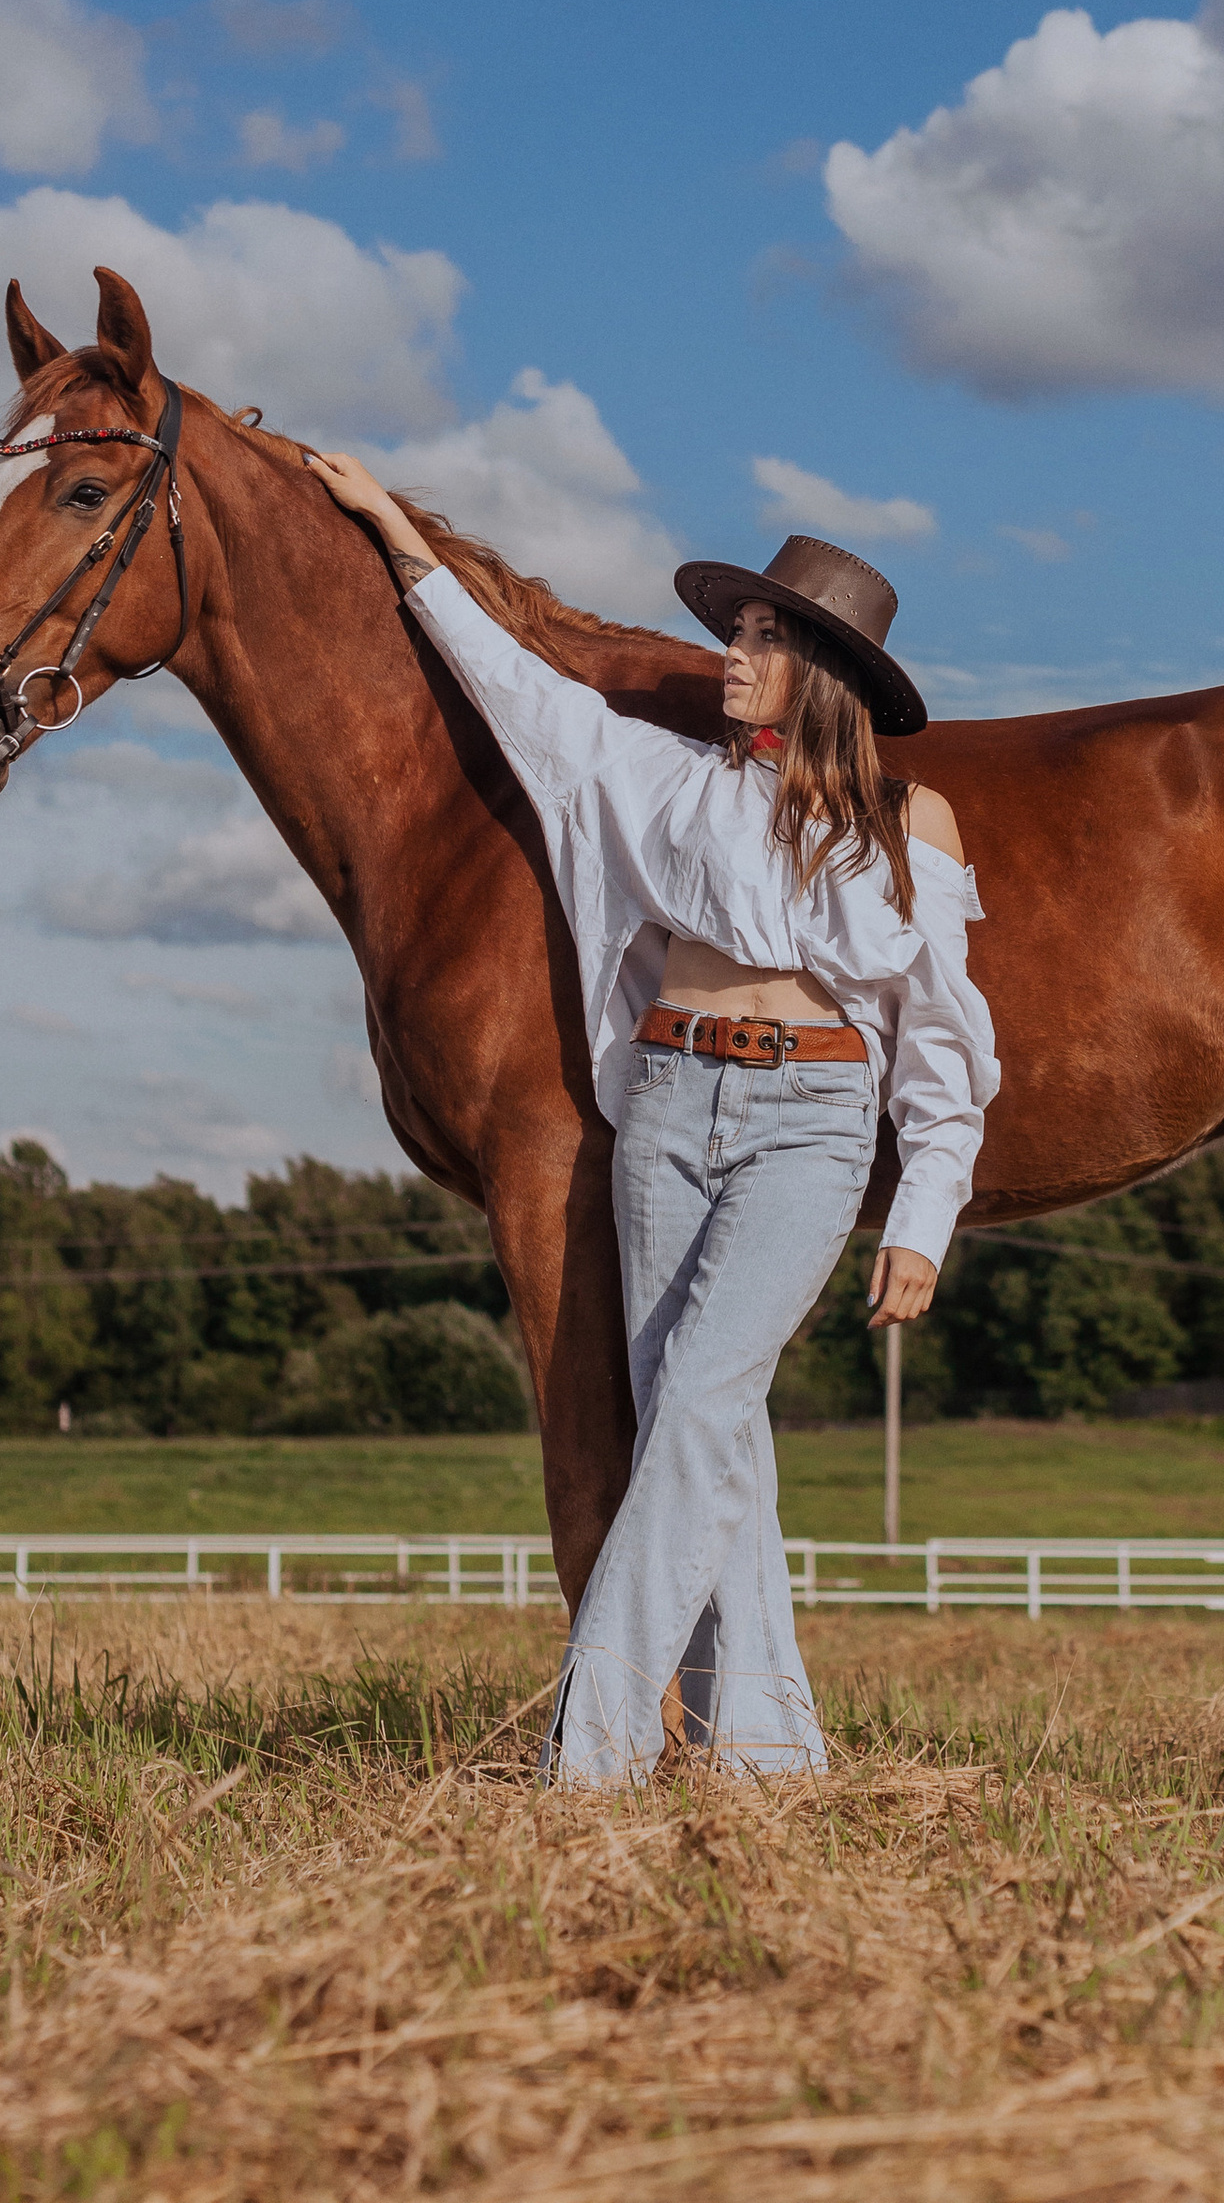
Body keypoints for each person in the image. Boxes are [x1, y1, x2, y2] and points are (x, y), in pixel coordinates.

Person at [304, 455, 999, 1788]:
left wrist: (925, 1209)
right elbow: (510, 683)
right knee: (703, 1424)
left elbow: (943, 1034)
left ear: (821, 671)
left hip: (811, 1118)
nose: (731, 653)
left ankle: (594, 1753)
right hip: (671, 1106)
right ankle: (767, 1752)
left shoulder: (913, 824)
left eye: (762, 637)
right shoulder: (659, 778)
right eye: (737, 630)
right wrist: (397, 535)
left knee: (696, 1406)